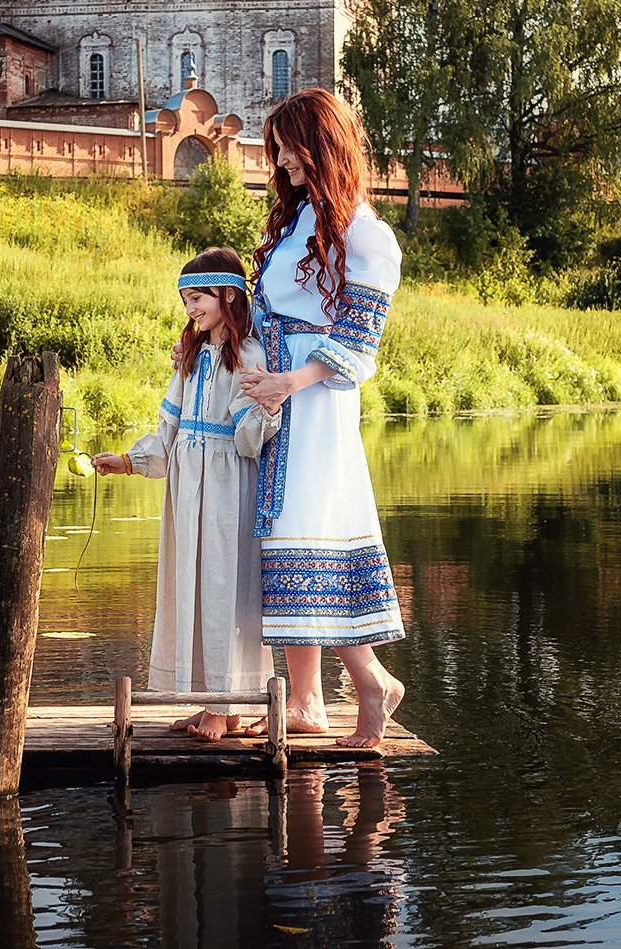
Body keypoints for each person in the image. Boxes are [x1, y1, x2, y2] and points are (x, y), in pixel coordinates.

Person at [237, 87, 407, 749]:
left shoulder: (360, 226)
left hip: (317, 398)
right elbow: (270, 309)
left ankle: (372, 680)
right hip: (278, 392)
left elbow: (362, 331)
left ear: (322, 142)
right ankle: (307, 700)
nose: (280, 158)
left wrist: (292, 380)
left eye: (289, 144)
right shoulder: (297, 218)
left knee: (308, 528)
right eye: (276, 146)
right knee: (283, 538)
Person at [95, 247, 282, 743]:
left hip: (223, 490)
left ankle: (228, 704)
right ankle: (208, 702)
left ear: (227, 295)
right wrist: (130, 461)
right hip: (186, 489)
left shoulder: (250, 358)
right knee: (192, 589)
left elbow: (247, 439)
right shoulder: (192, 357)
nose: (190, 309)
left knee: (223, 587)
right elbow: (171, 427)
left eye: (197, 298)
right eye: (185, 301)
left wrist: (266, 407)